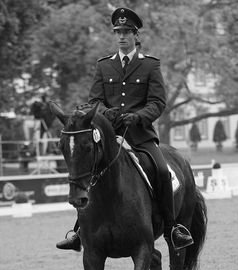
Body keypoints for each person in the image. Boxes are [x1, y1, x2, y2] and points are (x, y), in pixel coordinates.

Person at [56, 7, 193, 252]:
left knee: (162, 171)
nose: (121, 36)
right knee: (89, 169)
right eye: (118, 31)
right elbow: (94, 100)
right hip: (109, 136)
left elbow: (158, 102)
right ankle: (79, 231)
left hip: (140, 136)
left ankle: (172, 228)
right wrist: (106, 114)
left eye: (126, 32)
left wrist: (138, 116)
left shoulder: (150, 65)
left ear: (135, 35)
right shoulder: (104, 65)